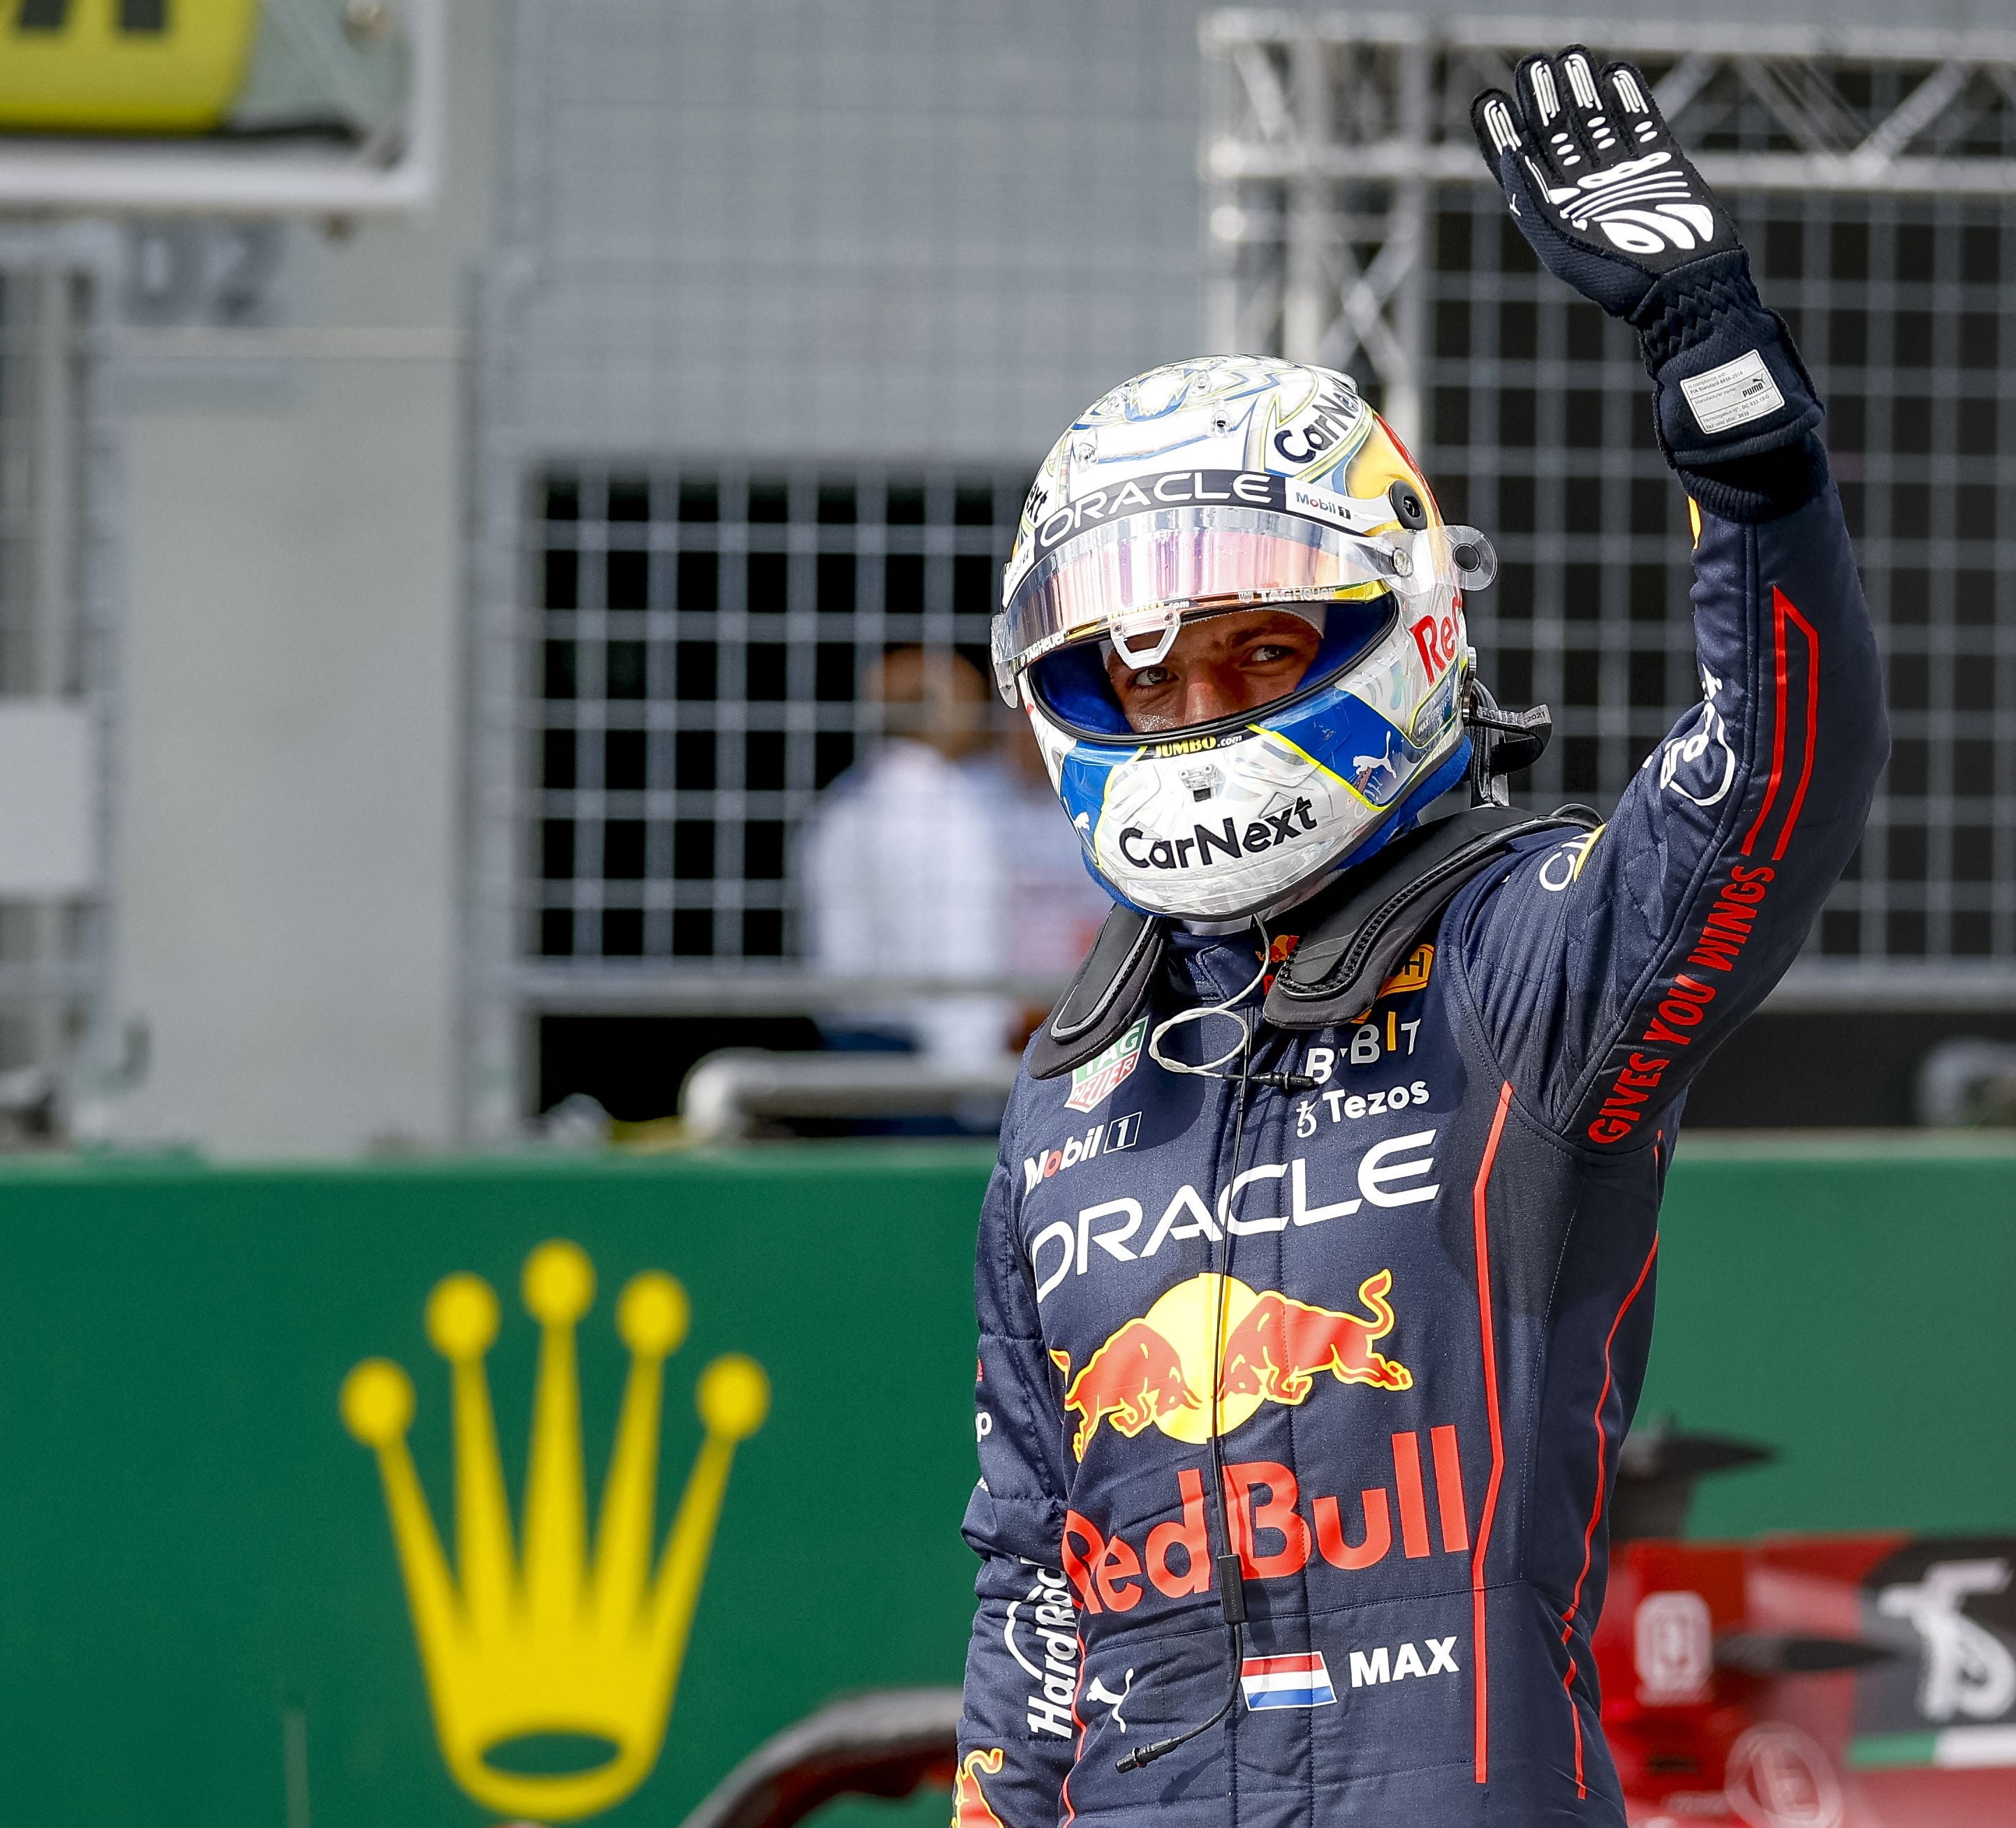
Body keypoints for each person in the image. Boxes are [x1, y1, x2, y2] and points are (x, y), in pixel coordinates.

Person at [955, 46, 1887, 1827]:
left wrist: (1724, 386)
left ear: (1402, 624)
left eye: (1255, 650)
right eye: (1137, 673)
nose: (1193, 706)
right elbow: (1031, 1574)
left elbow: (1775, 778)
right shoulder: (1066, 1096)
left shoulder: (1516, 965)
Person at [795, 647, 1102, 1075]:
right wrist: (974, 1065)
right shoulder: (946, 807)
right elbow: (961, 941)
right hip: (926, 1047)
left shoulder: (842, 804)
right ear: (942, 712)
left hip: (852, 1033)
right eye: (974, 705)